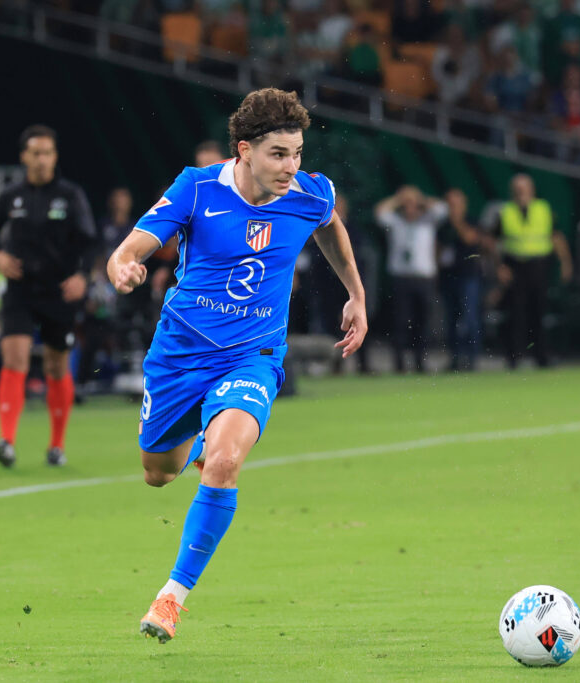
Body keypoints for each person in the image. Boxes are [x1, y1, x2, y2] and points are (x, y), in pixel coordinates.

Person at [107, 88, 367, 644]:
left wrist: (356, 294)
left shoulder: (309, 192)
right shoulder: (197, 187)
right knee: (158, 473)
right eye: (278, 154)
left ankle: (171, 598)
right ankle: (197, 435)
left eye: (297, 153)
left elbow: (330, 226)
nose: (290, 166)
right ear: (244, 150)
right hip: (180, 355)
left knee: (224, 463)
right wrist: (124, 264)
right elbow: (132, 247)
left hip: (254, 356)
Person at [0, 125, 98, 468]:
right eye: (35, 153)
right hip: (19, 288)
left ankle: (57, 445)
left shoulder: (70, 195)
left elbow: (90, 242)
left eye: (47, 152)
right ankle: (6, 441)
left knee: (55, 364)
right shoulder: (11, 195)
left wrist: (82, 276)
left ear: (55, 157)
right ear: (24, 157)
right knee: (13, 357)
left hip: (59, 291)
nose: (41, 159)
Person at [496, 174, 572, 368]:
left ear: (532, 190)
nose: (521, 192)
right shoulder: (505, 211)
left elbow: (556, 236)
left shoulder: (543, 209)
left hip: (539, 266)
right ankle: (514, 357)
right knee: (515, 312)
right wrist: (499, 266)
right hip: (515, 266)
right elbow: (493, 241)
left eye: (524, 188)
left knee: (538, 312)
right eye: (517, 188)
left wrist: (565, 262)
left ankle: (541, 356)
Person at [375, 185, 447, 372]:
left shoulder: (427, 221)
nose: (410, 208)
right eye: (407, 205)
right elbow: (380, 212)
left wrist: (418, 198)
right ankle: (399, 363)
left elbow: (442, 209)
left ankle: (420, 362)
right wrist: (399, 198)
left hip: (424, 279)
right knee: (401, 322)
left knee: (422, 322)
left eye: (413, 205)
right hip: (402, 278)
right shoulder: (396, 222)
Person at [439, 188, 483, 372]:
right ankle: (455, 357)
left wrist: (457, 223)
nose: (452, 208)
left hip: (468, 276)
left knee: (470, 317)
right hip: (449, 276)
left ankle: (472, 357)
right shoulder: (443, 226)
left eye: (455, 204)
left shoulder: (471, 221)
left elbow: (470, 239)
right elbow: (438, 251)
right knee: (451, 318)